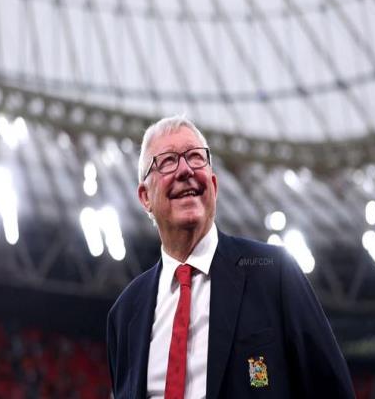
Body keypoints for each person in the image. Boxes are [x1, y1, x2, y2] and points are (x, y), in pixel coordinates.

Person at [106, 116, 355, 399]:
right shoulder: (124, 314)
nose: (185, 169)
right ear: (145, 197)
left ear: (213, 185)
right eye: (167, 161)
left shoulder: (273, 273)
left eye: (196, 157)